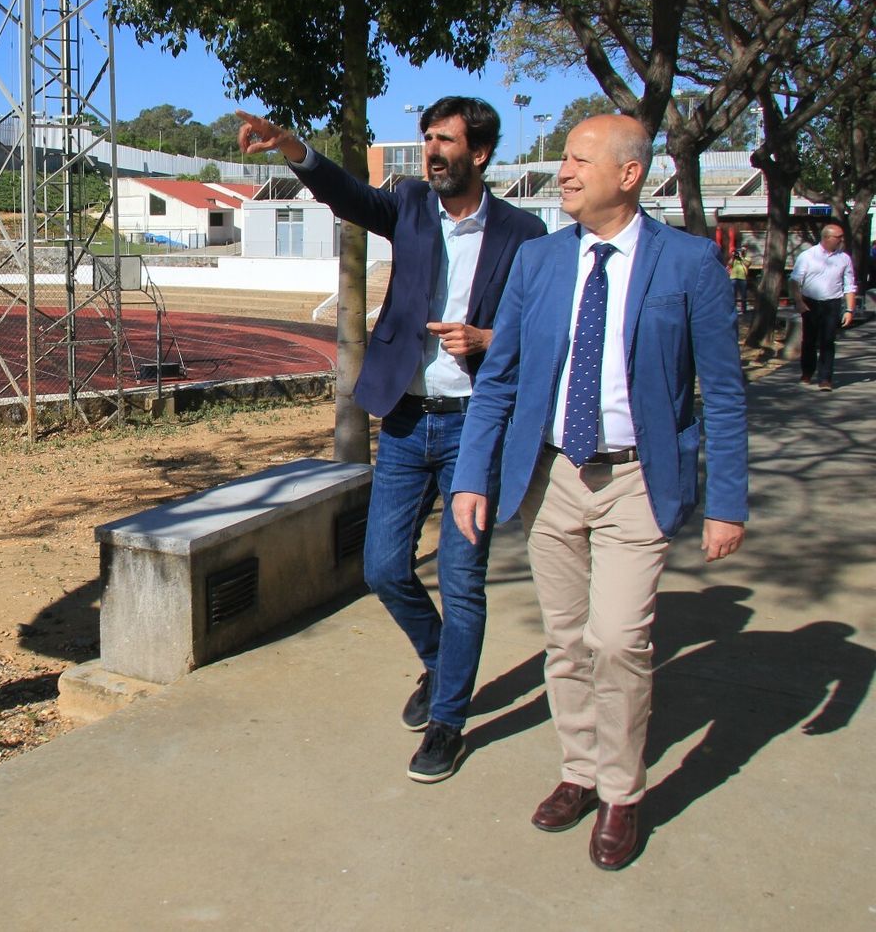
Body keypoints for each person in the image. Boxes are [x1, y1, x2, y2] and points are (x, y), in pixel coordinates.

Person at [449, 114, 748, 871]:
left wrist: (728, 500)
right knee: (566, 638)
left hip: (638, 480)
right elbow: (502, 379)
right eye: (564, 158)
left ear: (629, 174)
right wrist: (471, 475)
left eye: (580, 159)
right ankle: (578, 770)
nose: (564, 171)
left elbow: (722, 388)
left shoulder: (688, 264)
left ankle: (621, 789)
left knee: (618, 640)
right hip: (550, 476)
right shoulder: (539, 261)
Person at [237, 98, 546, 784]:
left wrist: (490, 340)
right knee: (380, 566)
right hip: (405, 416)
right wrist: (294, 148)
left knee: (463, 578)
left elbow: (545, 330)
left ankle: (449, 721)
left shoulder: (526, 234)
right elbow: (348, 195)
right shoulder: (408, 205)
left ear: (482, 153)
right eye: (426, 137)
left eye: (446, 140)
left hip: (475, 422)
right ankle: (440, 660)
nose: (432, 150)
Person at [789, 225, 856, 391]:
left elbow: (849, 286)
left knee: (828, 341)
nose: (841, 240)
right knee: (809, 340)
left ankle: (825, 378)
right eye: (838, 237)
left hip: (832, 303)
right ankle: (807, 372)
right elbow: (794, 281)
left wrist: (849, 310)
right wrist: (799, 301)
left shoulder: (844, 258)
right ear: (827, 238)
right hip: (810, 302)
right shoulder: (808, 256)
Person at [728, 248, 751, 315]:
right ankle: (732, 310)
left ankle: (744, 310)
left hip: (743, 278)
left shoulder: (747, 258)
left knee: (743, 295)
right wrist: (733, 257)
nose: (742, 252)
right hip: (733, 277)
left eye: (743, 251)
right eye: (741, 251)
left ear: (745, 252)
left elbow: (747, 264)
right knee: (732, 295)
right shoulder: (735, 258)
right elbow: (729, 265)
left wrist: (741, 257)